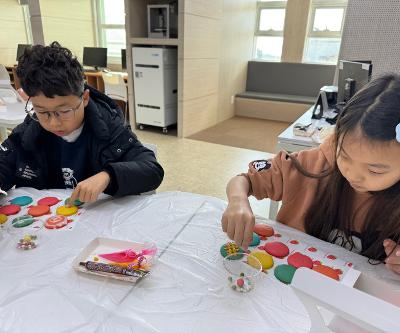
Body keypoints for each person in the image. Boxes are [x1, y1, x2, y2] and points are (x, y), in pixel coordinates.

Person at [221, 73, 400, 275]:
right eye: (344, 155)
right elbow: (244, 181)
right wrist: (237, 200)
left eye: (375, 170)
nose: (354, 176)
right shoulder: (311, 166)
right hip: (287, 286)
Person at [0, 42, 164, 203]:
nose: (54, 123)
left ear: (84, 98)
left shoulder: (110, 128)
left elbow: (152, 170)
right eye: (42, 112)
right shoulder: (27, 134)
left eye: (63, 111)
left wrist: (109, 176)